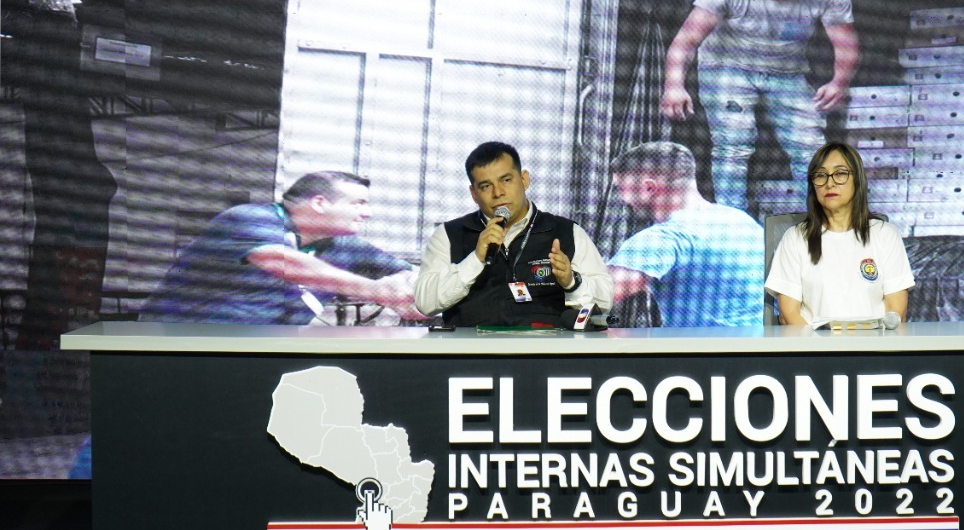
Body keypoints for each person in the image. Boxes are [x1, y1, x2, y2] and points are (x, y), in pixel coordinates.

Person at [660, 0, 858, 212]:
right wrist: (674, 85)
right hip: (727, 67)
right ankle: (733, 221)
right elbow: (685, 42)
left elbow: (845, 43)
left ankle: (820, 219)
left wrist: (839, 82)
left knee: (809, 144)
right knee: (733, 143)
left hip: (787, 72)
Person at [140, 171, 423, 325]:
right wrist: (377, 291)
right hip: (174, 345)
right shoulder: (248, 218)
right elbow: (283, 262)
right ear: (320, 203)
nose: (367, 213)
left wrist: (414, 293)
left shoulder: (345, 246)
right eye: (358, 204)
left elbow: (411, 274)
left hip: (256, 356)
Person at [415, 142, 612, 327]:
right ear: (474, 193)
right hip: (472, 354)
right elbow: (425, 303)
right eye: (485, 186)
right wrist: (475, 259)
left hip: (545, 354)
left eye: (506, 180)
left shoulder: (566, 231)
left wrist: (572, 281)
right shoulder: (449, 234)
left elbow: (605, 302)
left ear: (524, 179)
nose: (498, 192)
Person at [608, 141, 764, 327]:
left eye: (620, 188)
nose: (621, 198)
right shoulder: (744, 222)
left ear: (649, 187)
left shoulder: (665, 237)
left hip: (705, 353)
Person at [764, 142, 913, 326]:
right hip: (814, 349)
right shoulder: (795, 238)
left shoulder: (885, 235)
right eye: (820, 175)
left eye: (840, 173)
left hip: (874, 348)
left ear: (857, 180)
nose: (830, 183)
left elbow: (896, 313)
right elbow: (789, 315)